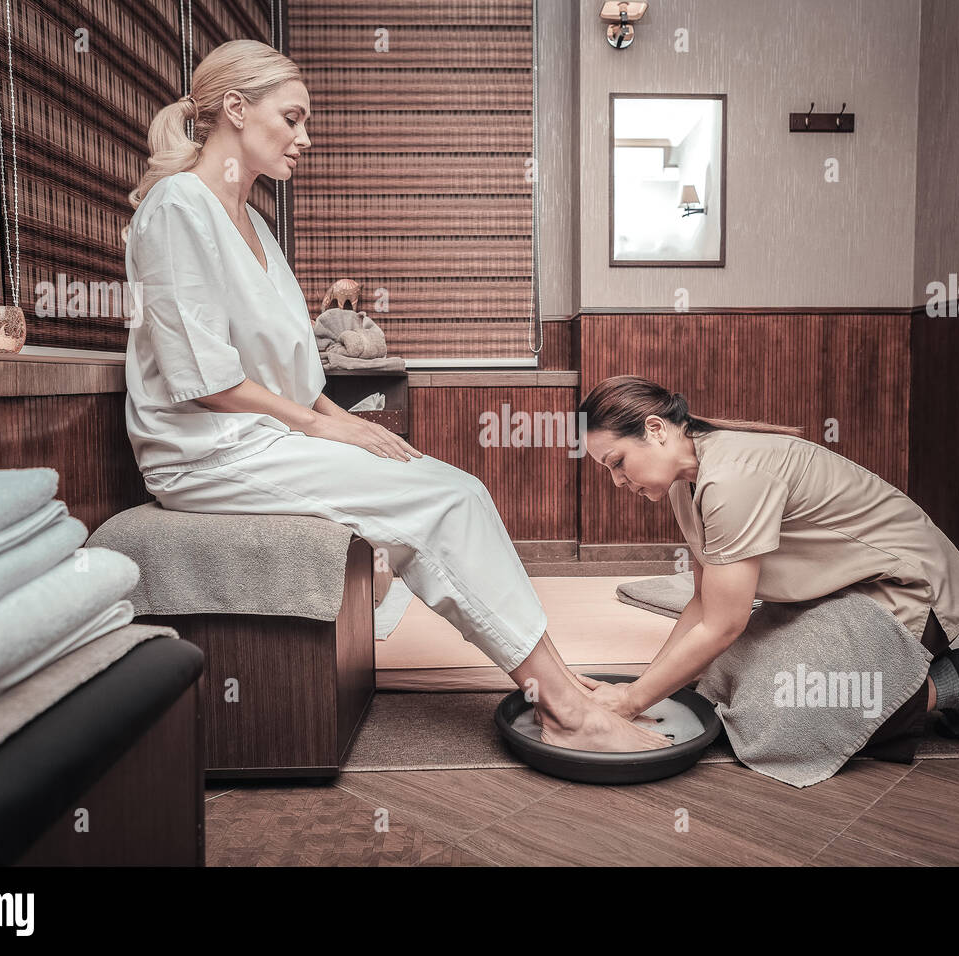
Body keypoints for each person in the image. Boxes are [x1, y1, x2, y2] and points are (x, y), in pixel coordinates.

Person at [123, 39, 670, 753]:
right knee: (446, 500)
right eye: (292, 119)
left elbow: (293, 379)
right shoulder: (177, 210)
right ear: (234, 109)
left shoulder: (254, 223)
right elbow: (208, 380)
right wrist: (325, 431)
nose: (304, 138)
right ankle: (564, 704)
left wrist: (336, 421)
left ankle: (556, 678)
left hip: (264, 437)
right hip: (203, 455)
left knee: (449, 485)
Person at [577, 374, 959, 761]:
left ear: (655, 430)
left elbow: (723, 625)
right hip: (840, 590)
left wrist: (632, 702)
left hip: (909, 589)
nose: (617, 481)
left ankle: (951, 683)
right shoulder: (683, 483)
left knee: (776, 719)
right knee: (714, 683)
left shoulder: (732, 477)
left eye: (617, 462)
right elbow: (703, 603)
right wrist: (646, 688)